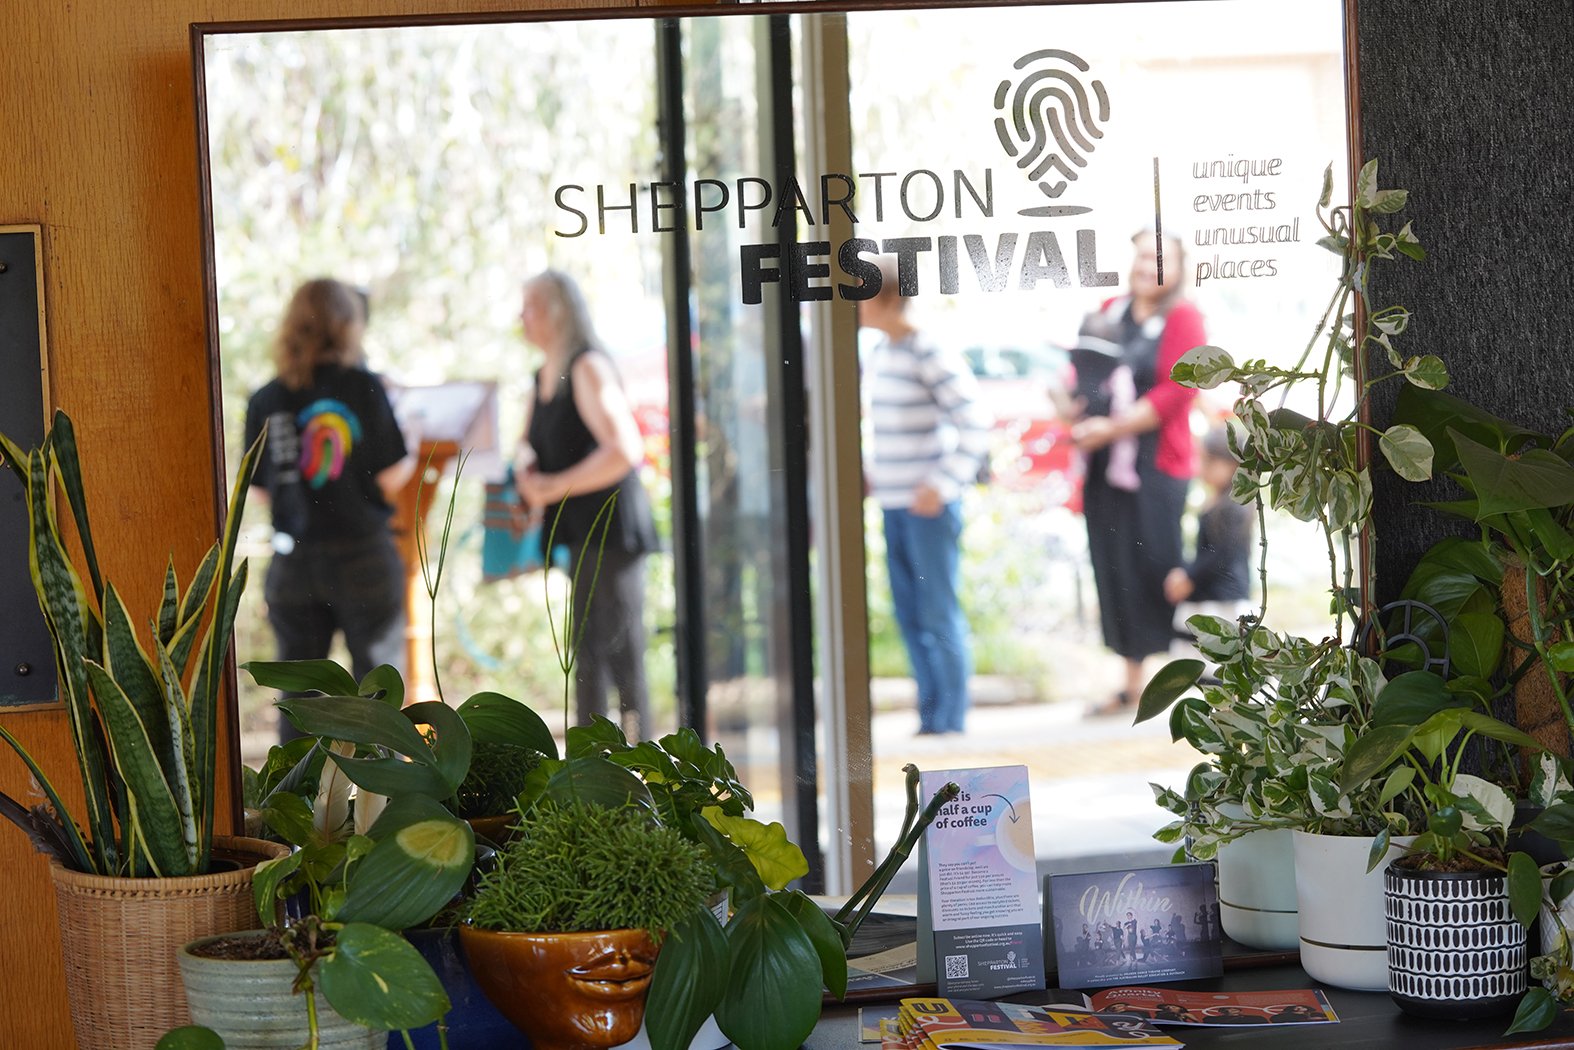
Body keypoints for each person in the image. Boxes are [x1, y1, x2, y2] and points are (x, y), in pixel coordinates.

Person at [244, 277, 416, 743]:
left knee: (300, 701)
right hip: (363, 558)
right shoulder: (365, 387)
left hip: (294, 563)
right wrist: (413, 447)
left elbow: (257, 490)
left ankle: (298, 807)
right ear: (347, 326)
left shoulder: (266, 398)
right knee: (378, 693)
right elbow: (390, 475)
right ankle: (383, 808)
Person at [513, 269, 659, 738]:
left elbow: (624, 450)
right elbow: (528, 444)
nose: (521, 317)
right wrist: (527, 470)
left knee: (620, 657)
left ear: (556, 312)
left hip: (612, 532)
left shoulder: (586, 366)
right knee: (587, 656)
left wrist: (551, 487)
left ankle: (642, 770)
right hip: (581, 534)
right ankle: (591, 769)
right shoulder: (543, 375)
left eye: (530, 306)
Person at [1068, 231, 1203, 716]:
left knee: (1155, 568)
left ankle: (1170, 681)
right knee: (1114, 571)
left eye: (1161, 259)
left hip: (1156, 468)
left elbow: (1178, 391)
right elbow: (1086, 370)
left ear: (1178, 268)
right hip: (1106, 469)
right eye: (1145, 255)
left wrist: (1115, 428)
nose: (1150, 266)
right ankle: (1130, 685)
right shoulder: (1112, 308)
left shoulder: (1183, 317)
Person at [859, 259, 992, 736]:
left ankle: (950, 722)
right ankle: (931, 719)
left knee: (937, 611)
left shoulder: (928, 348)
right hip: (893, 506)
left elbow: (975, 421)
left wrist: (942, 483)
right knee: (910, 613)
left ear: (886, 296)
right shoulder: (881, 351)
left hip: (927, 510)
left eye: (859, 292)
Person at [1164, 426, 1254, 658]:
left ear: (1233, 465)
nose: (1201, 469)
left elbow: (1220, 555)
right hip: (1210, 595)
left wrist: (1189, 576)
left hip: (1222, 600)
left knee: (1217, 666)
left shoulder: (1233, 507)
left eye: (1208, 462)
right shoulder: (1217, 502)